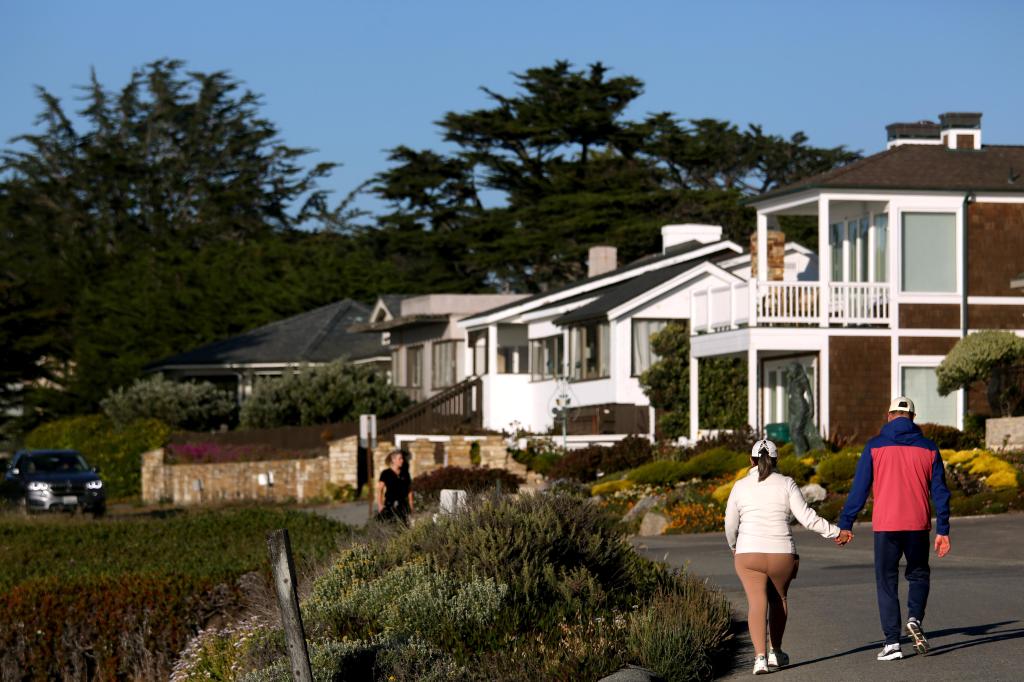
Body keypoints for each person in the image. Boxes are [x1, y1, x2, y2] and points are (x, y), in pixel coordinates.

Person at [836, 396, 951, 661]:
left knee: (886, 581)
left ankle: (892, 643)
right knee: (919, 574)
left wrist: (846, 523)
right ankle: (915, 619)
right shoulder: (929, 448)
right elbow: (941, 492)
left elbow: (860, 488)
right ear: (913, 417)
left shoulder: (875, 446)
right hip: (918, 525)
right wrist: (943, 529)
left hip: (886, 527)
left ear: (888, 416)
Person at [725, 438, 840, 675]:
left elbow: (730, 523)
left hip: (749, 554)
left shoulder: (740, 486)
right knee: (779, 600)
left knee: (757, 602)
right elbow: (807, 518)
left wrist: (734, 545)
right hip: (782, 554)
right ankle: (775, 651)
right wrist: (836, 532)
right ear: (776, 460)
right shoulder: (787, 483)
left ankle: (759, 659)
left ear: (751, 460)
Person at [377, 449, 413, 524]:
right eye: (400, 458)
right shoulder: (385, 473)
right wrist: (380, 505)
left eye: (402, 458)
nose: (402, 460)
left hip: (403, 506)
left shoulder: (405, 473)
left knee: (404, 527)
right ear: (393, 460)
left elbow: (409, 490)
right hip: (390, 506)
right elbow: (380, 490)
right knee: (391, 527)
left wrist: (411, 505)